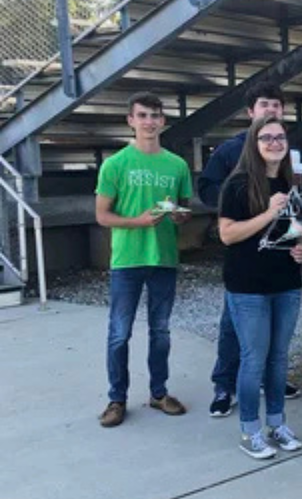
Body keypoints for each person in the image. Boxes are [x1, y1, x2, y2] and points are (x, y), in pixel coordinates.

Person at [199, 83, 302, 417]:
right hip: (246, 270)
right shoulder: (231, 156)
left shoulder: (291, 163)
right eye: (264, 105)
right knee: (236, 331)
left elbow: (299, 211)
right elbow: (209, 192)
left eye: (277, 105)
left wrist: (301, 242)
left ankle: (270, 388)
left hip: (281, 272)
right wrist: (248, 204)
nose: (271, 110)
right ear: (251, 112)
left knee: (273, 349)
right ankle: (224, 384)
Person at [95, 92, 192, 427]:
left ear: (163, 121)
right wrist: (136, 221)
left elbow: (182, 209)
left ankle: (158, 392)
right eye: (143, 115)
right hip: (127, 260)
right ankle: (116, 399)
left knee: (161, 331)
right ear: (130, 120)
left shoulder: (177, 164)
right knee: (119, 333)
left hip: (164, 257)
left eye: (155, 115)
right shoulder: (115, 164)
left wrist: (179, 217)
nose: (149, 122)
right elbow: (102, 216)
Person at [217, 116, 302, 459]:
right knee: (254, 359)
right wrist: (269, 213)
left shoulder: (290, 183)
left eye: (280, 137)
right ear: (254, 145)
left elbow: (295, 230)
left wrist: (300, 248)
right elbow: (227, 234)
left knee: (279, 358)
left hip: (286, 283)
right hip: (247, 287)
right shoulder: (238, 184)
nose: (274, 143)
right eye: (266, 138)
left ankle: (277, 423)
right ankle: (250, 431)